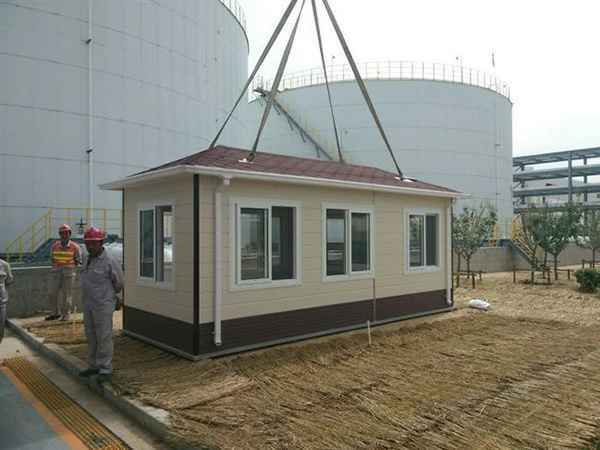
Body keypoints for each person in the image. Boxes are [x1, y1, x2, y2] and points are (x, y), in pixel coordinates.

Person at [79, 227, 123, 384]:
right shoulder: (86, 258)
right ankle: (94, 365)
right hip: (89, 303)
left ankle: (105, 368)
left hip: (103, 305)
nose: (90, 246)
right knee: (91, 336)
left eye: (94, 243)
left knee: (104, 336)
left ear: (101, 243)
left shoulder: (109, 260)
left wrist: (112, 298)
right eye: (88, 243)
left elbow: (119, 282)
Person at [46, 224, 82, 321]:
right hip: (56, 273)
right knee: (52, 293)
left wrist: (70, 267)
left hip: (68, 274)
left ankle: (66, 315)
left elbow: (78, 261)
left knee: (67, 296)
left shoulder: (75, 247)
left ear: (70, 234)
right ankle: (54, 313)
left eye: (66, 233)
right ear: (59, 234)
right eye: (62, 233)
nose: (64, 235)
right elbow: (52, 259)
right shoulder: (54, 246)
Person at [0, 258, 14, 343]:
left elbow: (9, 280)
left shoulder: (5, 265)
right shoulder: (4, 264)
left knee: (1, 322)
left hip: (1, 300)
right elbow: (9, 280)